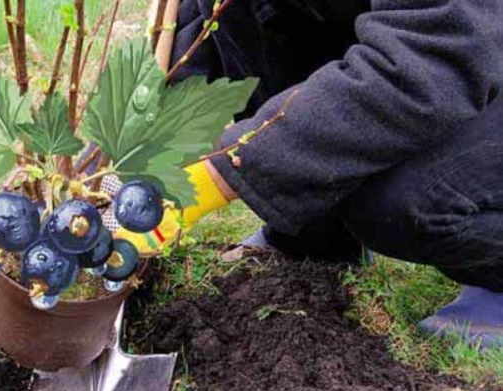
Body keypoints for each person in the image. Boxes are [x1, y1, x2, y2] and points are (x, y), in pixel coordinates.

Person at [155, 0, 503, 349]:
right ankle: (318, 233)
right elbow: (206, 20)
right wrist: (138, 152)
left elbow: (435, 57)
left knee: (397, 202)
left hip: (462, 44)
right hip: (450, 38)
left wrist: (219, 175)